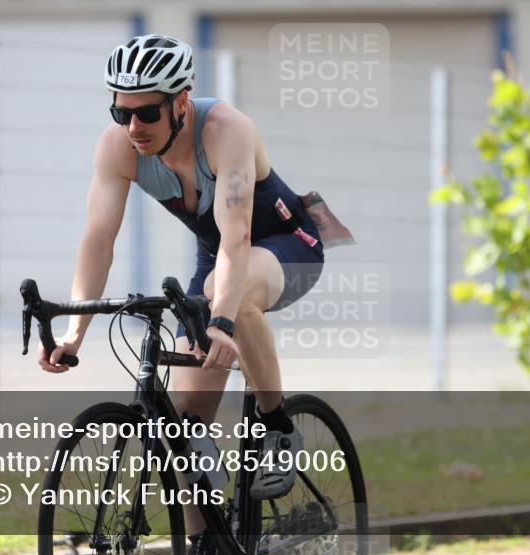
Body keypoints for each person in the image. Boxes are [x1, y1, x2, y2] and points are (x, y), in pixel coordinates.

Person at [37, 34, 325, 552]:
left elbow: (237, 235)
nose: (133, 127)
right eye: (121, 112)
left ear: (181, 102)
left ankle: (277, 424)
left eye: (146, 112)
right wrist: (75, 331)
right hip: (219, 261)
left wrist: (222, 319)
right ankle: (206, 543)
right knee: (185, 425)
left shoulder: (226, 130)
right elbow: (98, 239)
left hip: (286, 246)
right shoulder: (118, 145)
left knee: (222, 294)